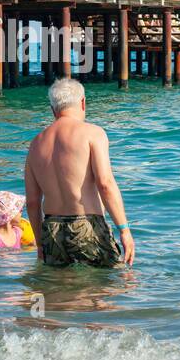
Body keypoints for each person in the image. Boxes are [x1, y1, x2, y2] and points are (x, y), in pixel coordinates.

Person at [24, 77, 134, 267]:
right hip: (86, 224)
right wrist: (124, 229)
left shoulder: (35, 144)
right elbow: (105, 184)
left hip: (51, 228)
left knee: (59, 290)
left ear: (53, 109)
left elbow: (33, 202)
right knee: (106, 286)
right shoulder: (93, 133)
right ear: (83, 103)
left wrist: (40, 245)